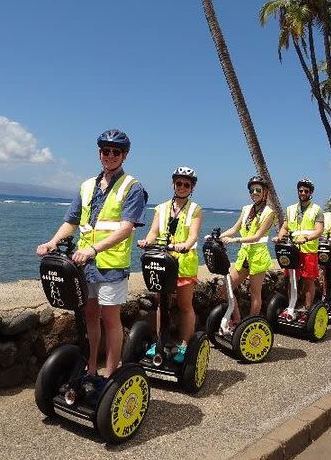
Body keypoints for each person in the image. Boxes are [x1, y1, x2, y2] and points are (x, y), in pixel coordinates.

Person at [36, 128, 147, 387]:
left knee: (110, 319)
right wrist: (52, 242)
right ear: (99, 153)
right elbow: (71, 222)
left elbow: (126, 227)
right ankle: (91, 367)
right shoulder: (86, 186)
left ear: (124, 155)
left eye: (115, 152)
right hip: (84, 267)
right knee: (89, 316)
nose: (110, 155)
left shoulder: (132, 187)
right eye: (105, 151)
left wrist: (94, 249)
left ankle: (110, 374)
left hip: (111, 267)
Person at [137, 166, 203, 363]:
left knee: (184, 305)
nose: (182, 187)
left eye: (186, 184)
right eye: (179, 183)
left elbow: (193, 236)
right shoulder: (162, 208)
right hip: (162, 260)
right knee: (161, 305)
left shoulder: (195, 209)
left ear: (192, 187)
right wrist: (146, 241)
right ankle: (159, 342)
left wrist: (184, 246)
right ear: (173, 184)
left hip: (183, 262)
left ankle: (184, 345)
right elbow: (153, 231)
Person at [216, 175, 276, 329]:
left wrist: (235, 241)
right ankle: (237, 319)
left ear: (265, 192)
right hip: (244, 256)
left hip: (258, 256)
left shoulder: (269, 213)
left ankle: (251, 325)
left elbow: (257, 236)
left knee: (255, 293)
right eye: (252, 190)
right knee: (226, 289)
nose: (254, 192)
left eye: (258, 190)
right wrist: (218, 237)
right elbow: (235, 229)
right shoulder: (246, 209)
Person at [273, 178, 324, 322]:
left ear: (311, 192)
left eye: (306, 191)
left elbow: (319, 230)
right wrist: (279, 237)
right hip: (292, 250)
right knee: (291, 280)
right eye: (301, 190)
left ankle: (307, 310)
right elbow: (285, 227)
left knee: (308, 281)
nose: (303, 193)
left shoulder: (317, 210)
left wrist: (306, 238)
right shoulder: (290, 209)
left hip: (308, 250)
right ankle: (291, 308)